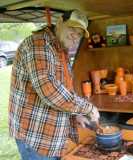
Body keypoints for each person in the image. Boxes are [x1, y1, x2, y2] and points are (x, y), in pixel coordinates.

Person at [8, 9, 100, 160]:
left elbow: (64, 88)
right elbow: (49, 90)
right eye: (71, 28)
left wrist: (75, 114)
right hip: (35, 136)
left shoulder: (60, 49)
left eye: (79, 34)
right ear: (59, 23)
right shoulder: (39, 44)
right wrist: (88, 108)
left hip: (50, 135)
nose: (74, 36)